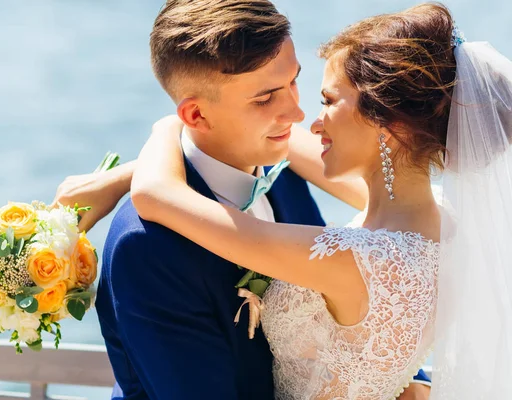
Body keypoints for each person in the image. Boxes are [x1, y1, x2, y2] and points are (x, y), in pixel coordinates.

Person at [53, 1, 431, 399]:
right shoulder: (146, 243)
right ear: (196, 115)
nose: (297, 112)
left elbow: (367, 313)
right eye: (265, 98)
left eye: (293, 82)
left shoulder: (283, 175)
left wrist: (409, 381)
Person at [128, 3, 487, 399]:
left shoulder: (360, 260)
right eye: (271, 96)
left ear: (389, 123)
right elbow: (278, 143)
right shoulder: (450, 219)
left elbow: (153, 194)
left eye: (329, 102)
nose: (306, 118)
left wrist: (169, 125)